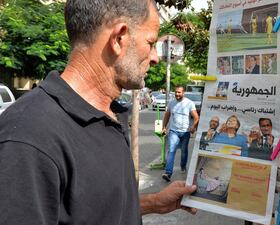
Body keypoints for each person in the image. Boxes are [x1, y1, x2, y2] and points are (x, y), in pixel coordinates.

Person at [0, 1, 197, 224]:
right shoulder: (27, 137)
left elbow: (91, 208)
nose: (154, 58)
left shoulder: (108, 115)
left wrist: (152, 203)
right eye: (150, 42)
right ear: (119, 38)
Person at [162, 85, 199, 182]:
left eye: (179, 92)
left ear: (183, 93)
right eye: (176, 92)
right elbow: (167, 115)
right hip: (174, 131)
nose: (177, 94)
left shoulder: (189, 103)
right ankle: (168, 173)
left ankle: (183, 166)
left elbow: (196, 117)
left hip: (185, 132)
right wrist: (164, 127)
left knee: (184, 152)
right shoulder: (172, 103)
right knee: (171, 150)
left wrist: (193, 126)